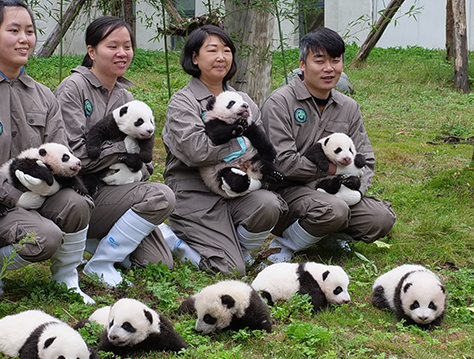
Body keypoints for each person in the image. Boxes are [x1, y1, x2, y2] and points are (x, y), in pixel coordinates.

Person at [0, 0, 94, 302]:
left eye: (29, 31)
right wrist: (16, 196)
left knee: (78, 205)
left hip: (41, 197)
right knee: (46, 237)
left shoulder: (43, 95)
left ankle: (66, 278)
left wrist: (48, 190)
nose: (24, 39)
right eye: (13, 30)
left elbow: (60, 154)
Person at [54, 16, 175, 286]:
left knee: (158, 263)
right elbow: (74, 156)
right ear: (91, 51)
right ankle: (100, 263)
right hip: (82, 192)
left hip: (118, 189)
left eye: (127, 46)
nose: (122, 53)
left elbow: (145, 159)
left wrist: (138, 168)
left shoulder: (125, 97)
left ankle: (101, 241)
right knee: (162, 196)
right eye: (112, 46)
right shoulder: (72, 89)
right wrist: (122, 153)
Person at [259, 27, 395, 261]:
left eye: (335, 60)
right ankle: (285, 245)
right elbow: (282, 163)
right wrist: (333, 170)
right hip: (287, 193)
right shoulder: (280, 103)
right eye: (319, 61)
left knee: (381, 218)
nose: (329, 68)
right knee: (334, 210)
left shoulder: (348, 107)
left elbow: (365, 160)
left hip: (337, 191)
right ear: (302, 64)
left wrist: (354, 192)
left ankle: (325, 234)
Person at [161, 25, 286, 276]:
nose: (221, 57)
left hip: (238, 185)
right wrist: (241, 137)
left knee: (269, 205)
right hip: (196, 195)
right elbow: (197, 151)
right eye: (212, 50)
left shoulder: (242, 99)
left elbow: (262, 144)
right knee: (229, 270)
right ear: (195, 58)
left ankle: (238, 248)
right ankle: (173, 241)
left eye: (227, 50)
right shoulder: (183, 102)